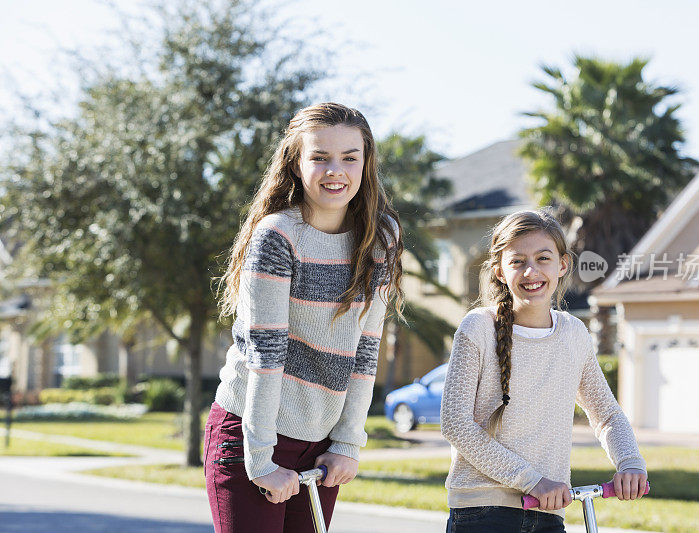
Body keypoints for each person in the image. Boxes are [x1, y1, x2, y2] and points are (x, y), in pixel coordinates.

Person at [206, 102, 403, 533]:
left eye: (350, 157)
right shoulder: (278, 235)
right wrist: (260, 459)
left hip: (321, 444)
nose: (337, 170)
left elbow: (366, 349)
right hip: (251, 433)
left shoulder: (380, 238)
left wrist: (348, 442)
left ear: (366, 163)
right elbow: (266, 352)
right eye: (320, 157)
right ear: (296, 163)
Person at [440, 209, 647, 533]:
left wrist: (630, 462)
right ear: (499, 271)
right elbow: (456, 423)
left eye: (543, 258)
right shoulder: (479, 327)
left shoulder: (573, 334)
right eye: (518, 261)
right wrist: (532, 481)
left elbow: (606, 414)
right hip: (482, 512)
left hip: (548, 514)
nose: (530, 271)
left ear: (562, 264)